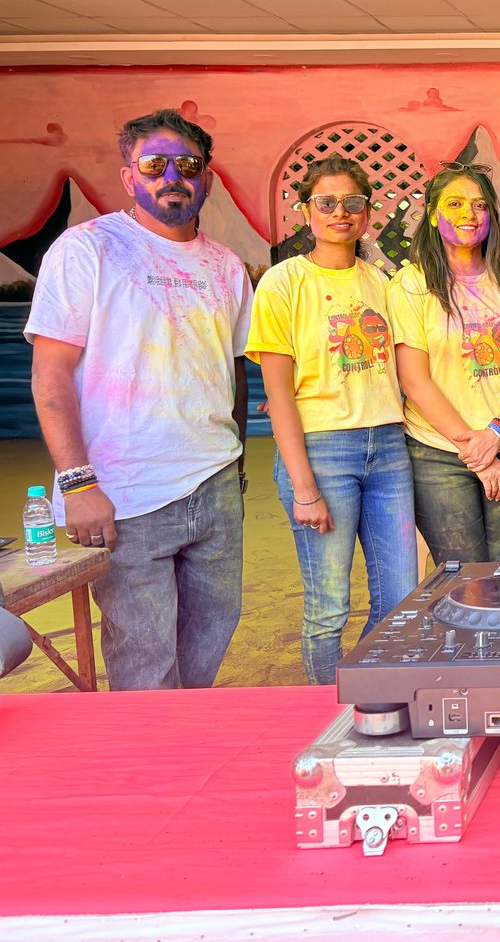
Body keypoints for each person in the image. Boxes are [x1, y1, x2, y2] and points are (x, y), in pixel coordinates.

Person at [28, 108, 252, 690]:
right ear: (130, 176)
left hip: (215, 484)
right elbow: (50, 378)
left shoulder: (226, 266)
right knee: (144, 664)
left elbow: (234, 373)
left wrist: (238, 468)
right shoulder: (87, 251)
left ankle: (190, 763)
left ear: (207, 176)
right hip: (125, 495)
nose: (172, 176)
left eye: (188, 165)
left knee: (208, 646)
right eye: (154, 164)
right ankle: (156, 773)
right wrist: (78, 484)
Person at [246, 157, 415, 684]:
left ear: (367, 214)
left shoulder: (386, 283)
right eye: (326, 202)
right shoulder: (282, 283)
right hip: (321, 452)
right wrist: (303, 488)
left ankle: (368, 690)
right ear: (306, 211)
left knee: (399, 598)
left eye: (353, 203)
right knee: (328, 606)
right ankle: (324, 708)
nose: (340, 212)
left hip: (389, 447)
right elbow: (278, 395)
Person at [388, 163, 500, 565]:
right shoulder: (411, 285)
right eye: (454, 204)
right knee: (464, 576)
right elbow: (415, 380)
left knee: (499, 567)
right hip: (439, 451)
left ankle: (494, 632)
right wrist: (476, 450)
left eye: (478, 205)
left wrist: (495, 435)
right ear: (433, 213)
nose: (467, 215)